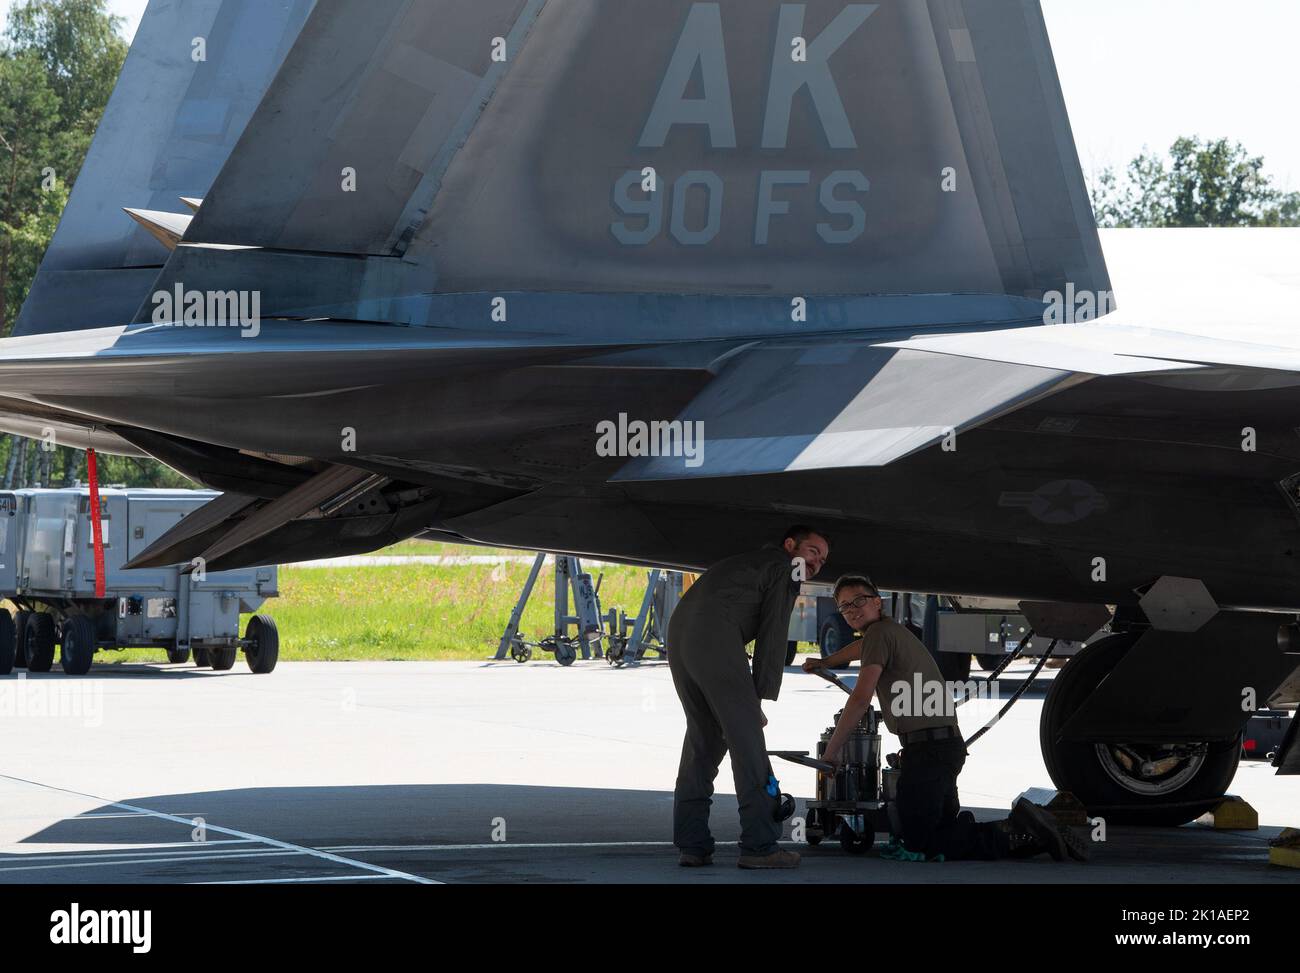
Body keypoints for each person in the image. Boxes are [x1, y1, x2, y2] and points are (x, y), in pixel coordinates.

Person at [804, 575, 1087, 862]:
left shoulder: (878, 635)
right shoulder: (887, 632)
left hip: (929, 753)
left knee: (922, 843)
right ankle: (1035, 836)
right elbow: (859, 649)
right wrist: (825, 662)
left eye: (859, 601)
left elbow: (861, 699)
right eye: (844, 606)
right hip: (940, 747)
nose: (852, 609)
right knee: (941, 832)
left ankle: (1019, 828)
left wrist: (833, 750)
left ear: (877, 601)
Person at [668, 525, 829, 869]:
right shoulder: (787, 568)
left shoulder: (748, 562)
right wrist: (758, 698)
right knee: (748, 745)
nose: (816, 562)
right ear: (790, 546)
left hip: (681, 635)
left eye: (823, 559)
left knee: (703, 741)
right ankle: (760, 847)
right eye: (813, 551)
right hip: (714, 637)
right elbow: (773, 636)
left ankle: (692, 845)